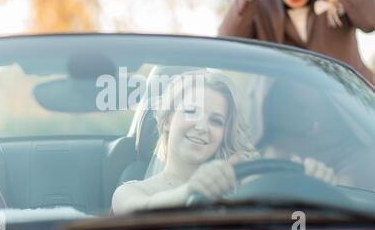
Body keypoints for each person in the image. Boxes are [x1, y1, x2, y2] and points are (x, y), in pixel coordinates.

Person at [112, 69, 336, 215]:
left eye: (216, 121)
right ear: (169, 119)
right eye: (192, 112)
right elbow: (144, 212)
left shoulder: (244, 191)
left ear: (223, 135)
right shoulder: (130, 194)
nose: (202, 126)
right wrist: (191, 190)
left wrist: (311, 190)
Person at [218, 0, 375, 85]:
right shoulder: (257, 2)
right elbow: (225, 44)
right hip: (282, 111)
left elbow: (370, 19)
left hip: (351, 105)